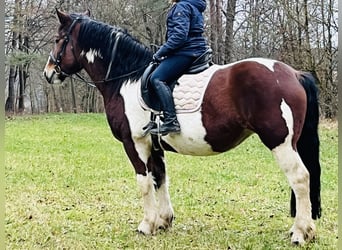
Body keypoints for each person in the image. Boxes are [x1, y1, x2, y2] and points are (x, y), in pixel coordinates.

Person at [148, 0, 208, 135]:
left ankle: (171, 121)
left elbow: (179, 36)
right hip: (196, 50)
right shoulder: (194, 5)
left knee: (157, 78)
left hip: (186, 52)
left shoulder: (182, 7)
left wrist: (161, 52)